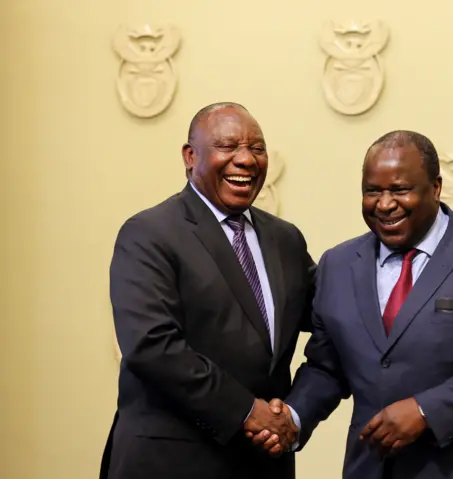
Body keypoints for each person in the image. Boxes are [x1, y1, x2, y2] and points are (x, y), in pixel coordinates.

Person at [254, 130, 453, 478]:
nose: (384, 204)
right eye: (372, 191)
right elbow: (327, 365)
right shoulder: (337, 264)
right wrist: (293, 417)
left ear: (436, 188)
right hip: (372, 467)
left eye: (399, 190)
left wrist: (426, 411)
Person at [99, 102, 314, 479]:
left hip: (263, 463)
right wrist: (247, 411)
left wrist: (295, 412)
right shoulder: (150, 234)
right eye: (228, 147)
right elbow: (152, 346)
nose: (245, 160)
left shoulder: (285, 239)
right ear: (190, 155)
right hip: (170, 461)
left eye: (257, 148)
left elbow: (333, 319)